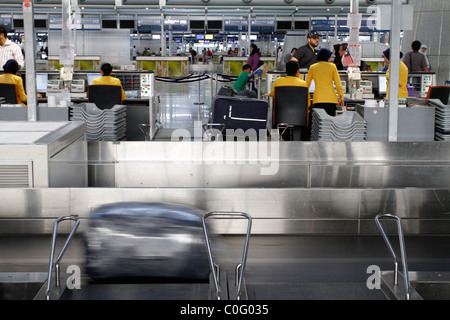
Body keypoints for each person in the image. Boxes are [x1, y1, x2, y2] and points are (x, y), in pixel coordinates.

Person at [265, 61, 310, 140]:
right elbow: (308, 103)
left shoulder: (278, 81)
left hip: (281, 117)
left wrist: (268, 94)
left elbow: (272, 94)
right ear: (297, 71)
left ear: (286, 70)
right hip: (300, 119)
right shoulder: (304, 84)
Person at [306, 48, 344, 118]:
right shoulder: (333, 66)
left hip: (318, 100)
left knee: (319, 124)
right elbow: (338, 84)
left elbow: (306, 85)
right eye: (329, 57)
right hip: (331, 100)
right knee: (329, 124)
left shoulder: (312, 67)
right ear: (327, 57)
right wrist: (341, 97)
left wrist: (306, 98)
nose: (330, 59)